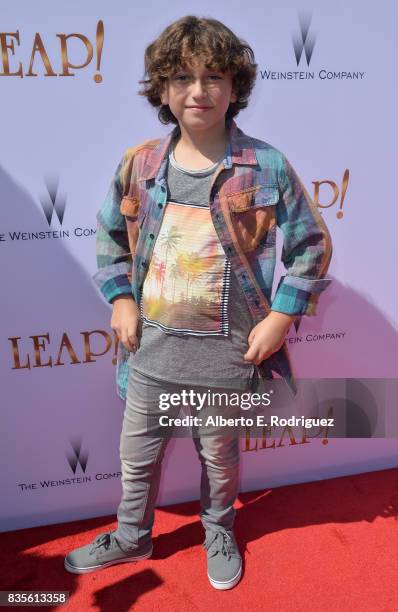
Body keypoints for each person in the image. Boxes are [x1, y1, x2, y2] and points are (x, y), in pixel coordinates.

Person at [64, 15, 333, 590]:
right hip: (150, 356)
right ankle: (132, 536)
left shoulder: (267, 166)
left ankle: (218, 527)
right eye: (182, 77)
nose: (198, 90)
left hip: (228, 358)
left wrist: (283, 315)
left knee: (220, 458)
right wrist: (119, 300)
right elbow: (110, 238)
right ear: (161, 89)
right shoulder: (140, 165)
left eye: (214, 76)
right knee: (135, 459)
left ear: (236, 87)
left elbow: (311, 244)